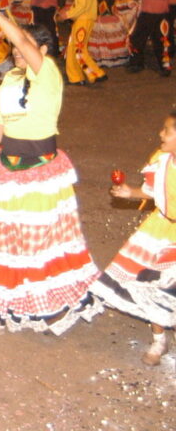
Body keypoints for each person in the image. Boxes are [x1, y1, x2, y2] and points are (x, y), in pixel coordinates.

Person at [0, 0, 102, 335]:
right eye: (16, 49)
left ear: (42, 48)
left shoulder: (47, 72)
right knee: (1, 241)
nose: (17, 53)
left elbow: (17, 39)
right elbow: (0, 123)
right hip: (6, 165)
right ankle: (1, 303)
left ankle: (41, 306)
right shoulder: (12, 79)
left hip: (40, 170)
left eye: (25, 47)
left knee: (37, 243)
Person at [91, 111, 176, 365]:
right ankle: (159, 340)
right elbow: (153, 191)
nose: (160, 134)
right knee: (146, 283)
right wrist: (131, 192)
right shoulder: (161, 160)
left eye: (167, 131)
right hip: (160, 228)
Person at [58, 0, 107, 86]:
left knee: (78, 49)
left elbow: (82, 5)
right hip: (83, 19)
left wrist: (67, 14)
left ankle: (96, 73)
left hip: (83, 20)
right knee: (72, 47)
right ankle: (75, 77)